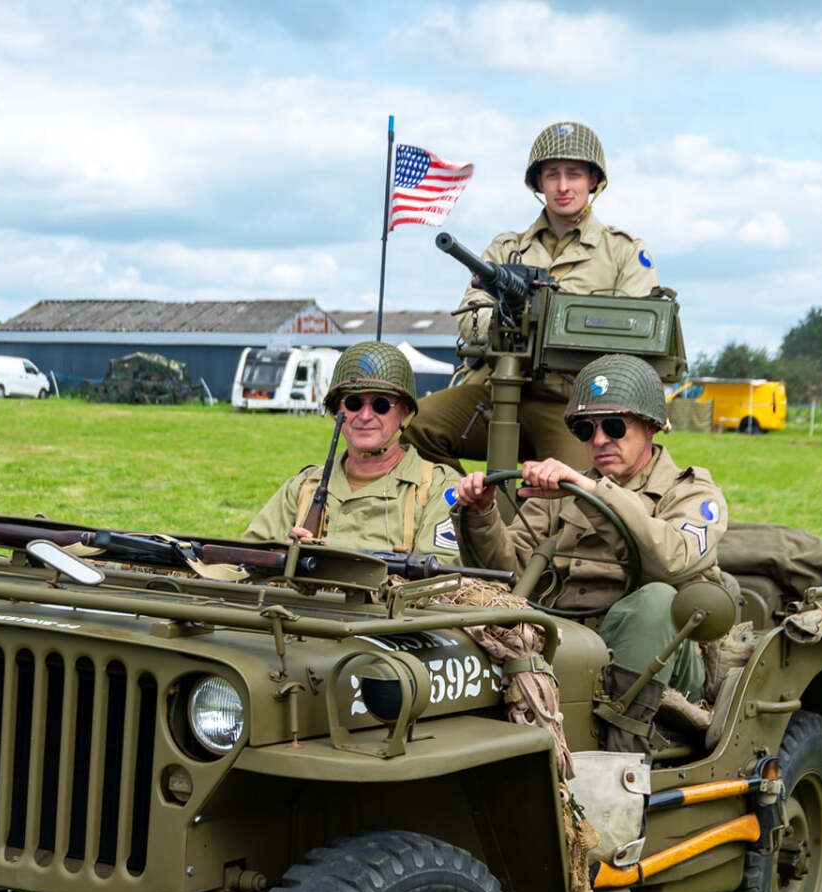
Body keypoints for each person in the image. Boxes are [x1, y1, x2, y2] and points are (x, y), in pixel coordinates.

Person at [455, 353, 726, 695]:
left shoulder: (692, 493)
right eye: (586, 429)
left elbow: (673, 560)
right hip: (564, 642)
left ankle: (623, 740)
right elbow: (509, 574)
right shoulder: (565, 491)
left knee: (657, 600)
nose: (599, 441)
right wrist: (482, 513)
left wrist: (593, 492)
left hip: (663, 663)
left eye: (614, 426)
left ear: (651, 425)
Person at [404, 121, 658, 473]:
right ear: (539, 183)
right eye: (552, 175)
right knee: (414, 428)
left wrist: (554, 321)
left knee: (576, 491)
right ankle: (467, 515)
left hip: (573, 404)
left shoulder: (622, 252)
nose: (563, 186)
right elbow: (468, 317)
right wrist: (510, 315)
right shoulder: (506, 249)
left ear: (594, 181)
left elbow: (636, 335)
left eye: (574, 174)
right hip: (496, 391)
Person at [244, 341, 458, 561]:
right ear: (337, 411)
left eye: (381, 405)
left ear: (404, 413)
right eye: (354, 403)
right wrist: (281, 556)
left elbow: (440, 576)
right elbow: (245, 557)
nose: (365, 416)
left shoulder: (436, 488)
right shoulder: (303, 488)